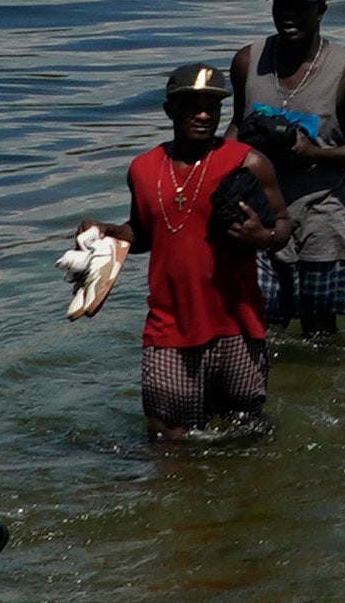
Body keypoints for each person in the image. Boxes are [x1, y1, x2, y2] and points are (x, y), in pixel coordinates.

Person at [96, 64, 286, 437]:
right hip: (169, 329)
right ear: (169, 110)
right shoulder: (142, 169)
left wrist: (261, 237)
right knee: (167, 437)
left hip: (238, 325)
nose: (203, 115)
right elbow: (147, 233)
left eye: (211, 107)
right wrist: (111, 233)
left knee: (246, 434)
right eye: (192, 105)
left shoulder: (248, 163)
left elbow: (284, 226)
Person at [224, 0, 345, 334]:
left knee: (318, 329)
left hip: (321, 207)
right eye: (281, 5)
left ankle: (321, 386)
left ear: (321, 11)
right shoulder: (249, 61)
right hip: (260, 207)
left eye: (300, 6)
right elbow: (235, 124)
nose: (288, 15)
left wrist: (314, 154)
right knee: (256, 320)